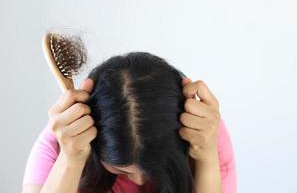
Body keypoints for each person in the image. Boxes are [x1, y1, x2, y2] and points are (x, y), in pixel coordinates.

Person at [22, 52, 237, 193]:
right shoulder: (62, 140)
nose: (141, 181)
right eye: (121, 170)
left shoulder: (204, 134)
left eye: (156, 168)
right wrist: (71, 159)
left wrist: (206, 158)